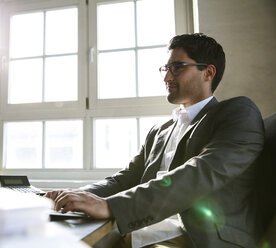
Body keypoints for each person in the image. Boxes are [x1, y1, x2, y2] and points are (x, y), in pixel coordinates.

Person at [45, 33, 264, 248]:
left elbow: (200, 173)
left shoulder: (238, 113)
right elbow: (124, 180)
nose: (167, 77)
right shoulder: (160, 130)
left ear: (208, 72)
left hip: (198, 238)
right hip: (144, 229)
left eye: (177, 67)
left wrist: (112, 206)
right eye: (166, 68)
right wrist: (72, 196)